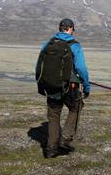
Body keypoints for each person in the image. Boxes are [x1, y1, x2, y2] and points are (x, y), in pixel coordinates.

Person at [36, 18, 90, 158]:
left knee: (53, 116)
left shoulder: (47, 44)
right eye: (73, 29)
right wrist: (86, 85)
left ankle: (51, 150)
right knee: (76, 107)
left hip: (51, 86)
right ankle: (65, 140)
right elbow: (81, 68)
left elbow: (38, 67)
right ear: (71, 29)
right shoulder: (74, 45)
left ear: (60, 28)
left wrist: (41, 85)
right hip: (70, 86)